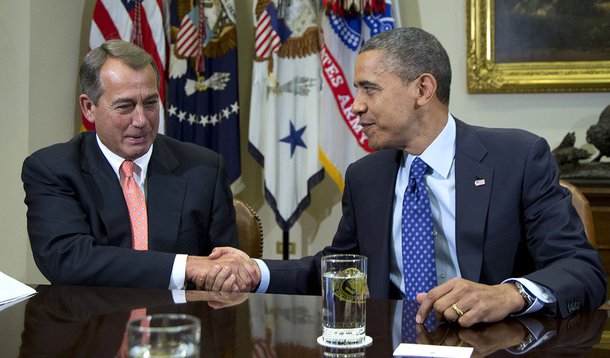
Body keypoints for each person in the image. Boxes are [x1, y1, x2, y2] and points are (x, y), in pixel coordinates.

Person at [209, 27, 607, 327]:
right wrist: (255, 270)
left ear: (423, 89)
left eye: (369, 89)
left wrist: (509, 294)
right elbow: (337, 267)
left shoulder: (517, 158)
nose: (356, 106)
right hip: (390, 343)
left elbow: (582, 270)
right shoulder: (366, 176)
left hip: (494, 345)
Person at [21, 40, 258, 291]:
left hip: (180, 324)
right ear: (89, 108)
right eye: (125, 106)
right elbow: (68, 261)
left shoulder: (204, 168)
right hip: (93, 324)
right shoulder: (53, 169)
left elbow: (228, 268)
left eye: (150, 103)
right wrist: (185, 266)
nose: (141, 120)